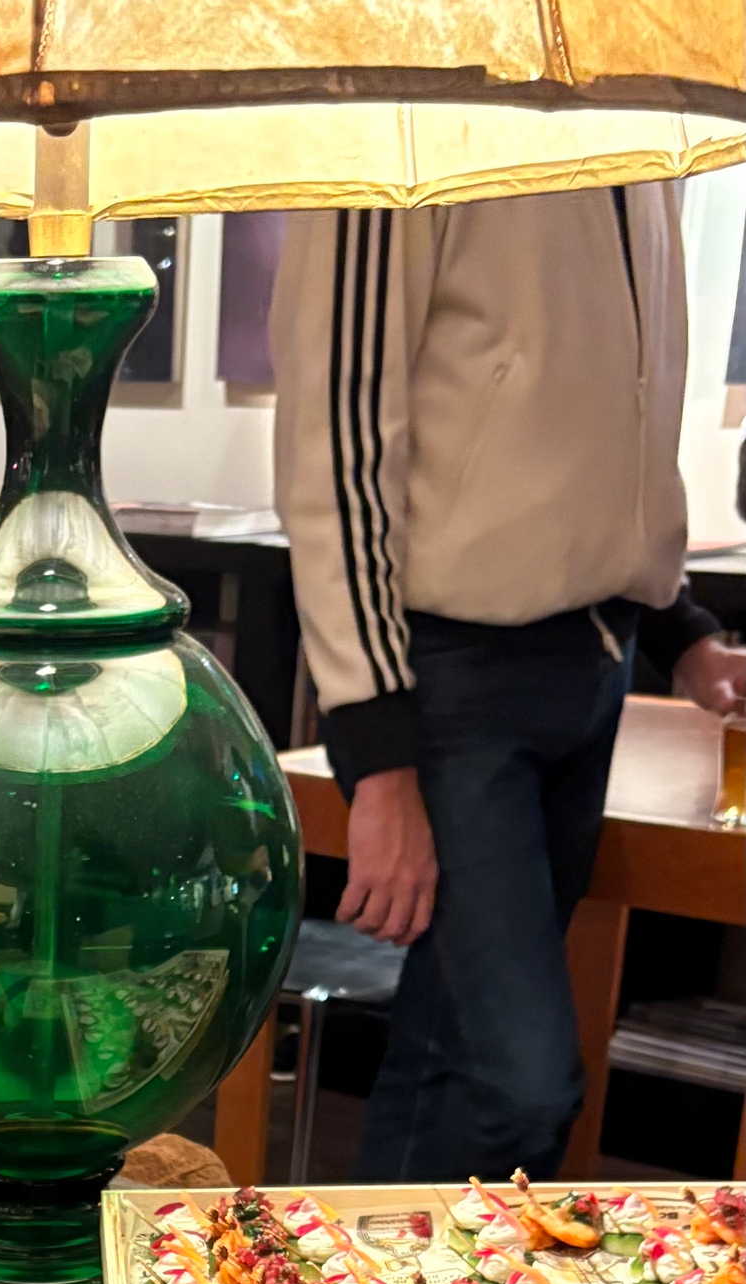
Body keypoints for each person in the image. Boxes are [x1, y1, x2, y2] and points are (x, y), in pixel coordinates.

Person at [271, 189, 746, 1180]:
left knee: (459, 1056)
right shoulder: (406, 111)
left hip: (594, 661)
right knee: (516, 1083)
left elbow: (621, 421)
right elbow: (337, 436)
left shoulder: (638, 132)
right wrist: (380, 756)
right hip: (454, 676)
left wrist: (681, 627)